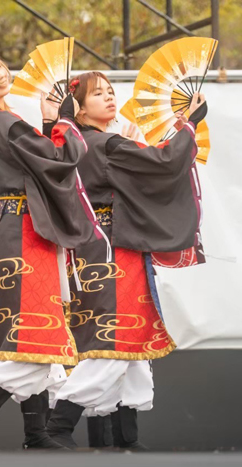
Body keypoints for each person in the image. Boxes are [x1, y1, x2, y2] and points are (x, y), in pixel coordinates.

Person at [0, 48, 102, 451]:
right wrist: (64, 121)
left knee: (37, 335)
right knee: (35, 334)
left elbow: (44, 160)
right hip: (22, 235)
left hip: (16, 229)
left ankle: (37, 433)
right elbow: (61, 157)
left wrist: (53, 120)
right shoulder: (7, 122)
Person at [45, 71, 207, 450]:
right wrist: (190, 126)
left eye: (111, 91)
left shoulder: (77, 143)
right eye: (98, 94)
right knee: (117, 337)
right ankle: (58, 426)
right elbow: (164, 162)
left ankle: (125, 439)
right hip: (112, 249)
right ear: (80, 107)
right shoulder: (106, 144)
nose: (109, 98)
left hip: (92, 248)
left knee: (127, 341)